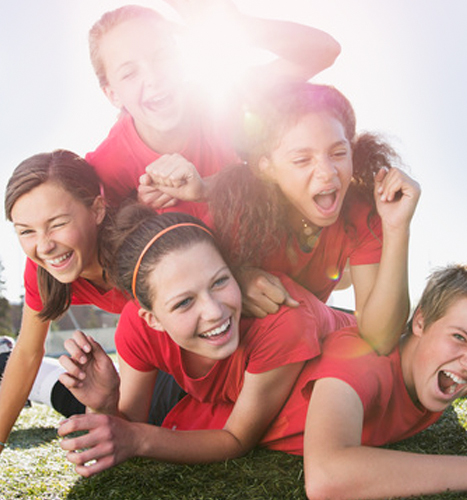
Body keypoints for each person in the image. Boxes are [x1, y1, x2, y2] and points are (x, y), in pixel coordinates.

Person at [258, 263, 467, 500]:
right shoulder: (363, 357)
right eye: (459, 337)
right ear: (419, 322)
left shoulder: (457, 366)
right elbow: (328, 478)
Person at [50, 207, 352, 475]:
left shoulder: (283, 324)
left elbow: (237, 438)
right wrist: (103, 404)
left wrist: (139, 438)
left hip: (334, 344)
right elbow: (124, 426)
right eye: (184, 303)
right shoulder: (138, 328)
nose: (214, 311)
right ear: (151, 318)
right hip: (220, 395)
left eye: (220, 281)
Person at [0, 150, 128, 477]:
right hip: (148, 352)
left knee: (139, 417)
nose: (43, 246)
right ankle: (3, 360)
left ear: (97, 210)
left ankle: (3, 360)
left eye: (57, 224)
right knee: (115, 408)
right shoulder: (42, 269)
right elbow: (30, 351)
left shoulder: (135, 244)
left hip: (168, 346)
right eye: (26, 231)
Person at [211, 83, 420, 356]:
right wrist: (236, 279)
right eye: (302, 159)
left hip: (298, 346)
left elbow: (379, 339)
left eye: (338, 153)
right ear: (266, 167)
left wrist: (397, 228)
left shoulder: (362, 214)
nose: (327, 172)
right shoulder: (239, 207)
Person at [83, 2, 339, 212]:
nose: (153, 78)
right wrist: (136, 209)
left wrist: (241, 26)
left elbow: (324, 51)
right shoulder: (106, 167)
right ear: (112, 94)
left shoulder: (223, 98)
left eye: (162, 56)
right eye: (129, 74)